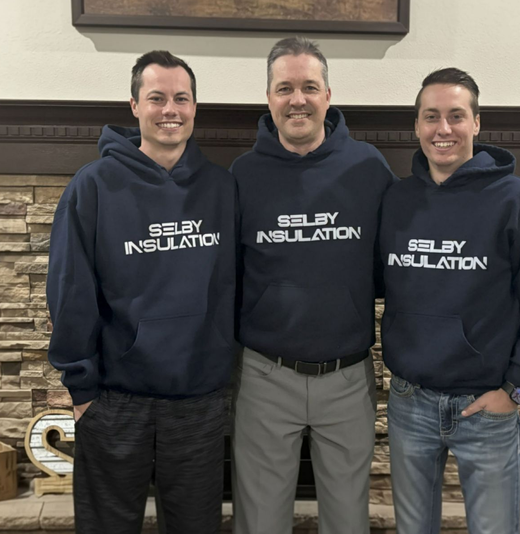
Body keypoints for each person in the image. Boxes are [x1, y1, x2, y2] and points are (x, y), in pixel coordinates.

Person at [46, 50, 236, 534]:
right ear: (134, 105)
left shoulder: (222, 188)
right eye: (157, 98)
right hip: (115, 400)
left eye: (181, 98)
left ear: (195, 107)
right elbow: (70, 291)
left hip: (199, 401)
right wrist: (81, 388)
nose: (170, 109)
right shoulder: (93, 187)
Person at [379, 67, 520, 534]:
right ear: (417, 126)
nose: (443, 129)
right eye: (431, 117)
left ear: (477, 123)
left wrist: (516, 389)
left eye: (455, 116)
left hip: (486, 409)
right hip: (410, 403)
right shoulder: (396, 201)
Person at [230, 37, 396, 534]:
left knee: (348, 521)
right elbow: (227, 275)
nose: (297, 99)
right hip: (265, 375)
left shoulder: (370, 169)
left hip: (347, 378)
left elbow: (394, 267)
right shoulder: (242, 174)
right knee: (260, 522)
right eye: (285, 88)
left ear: (328, 95)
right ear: (269, 98)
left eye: (309, 87)